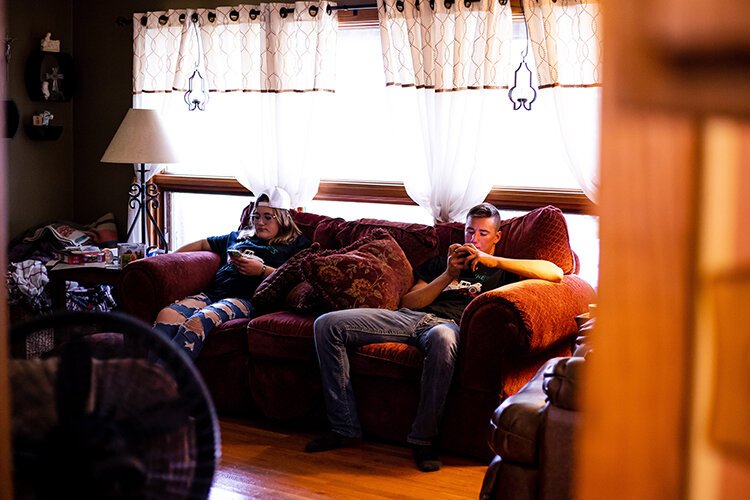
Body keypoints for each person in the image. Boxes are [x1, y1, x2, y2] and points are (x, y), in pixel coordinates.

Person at [305, 203, 563, 472]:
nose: (474, 239)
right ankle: (344, 426)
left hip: (448, 325)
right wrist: (448, 275)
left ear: (497, 236)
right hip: (409, 319)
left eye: (483, 234)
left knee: (443, 339)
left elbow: (555, 273)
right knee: (327, 325)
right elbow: (410, 301)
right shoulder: (443, 263)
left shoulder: (504, 270)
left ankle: (423, 439)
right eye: (469, 231)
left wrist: (493, 261)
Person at [153, 186, 310, 360]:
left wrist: (261, 270)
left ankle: (165, 382)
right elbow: (203, 244)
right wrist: (167, 258)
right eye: (256, 216)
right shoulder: (240, 236)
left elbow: (297, 276)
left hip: (245, 299)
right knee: (167, 314)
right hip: (213, 294)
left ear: (283, 218)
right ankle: (149, 377)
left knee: (197, 322)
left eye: (267, 217)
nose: (260, 222)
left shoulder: (295, 244)